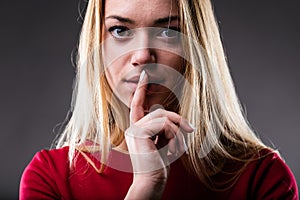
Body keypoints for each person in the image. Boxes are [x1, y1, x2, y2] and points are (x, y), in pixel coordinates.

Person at [20, 0, 298, 199]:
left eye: (167, 31)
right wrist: (145, 185)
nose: (142, 55)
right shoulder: (51, 178)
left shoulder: (262, 176)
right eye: (120, 30)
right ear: (97, 43)